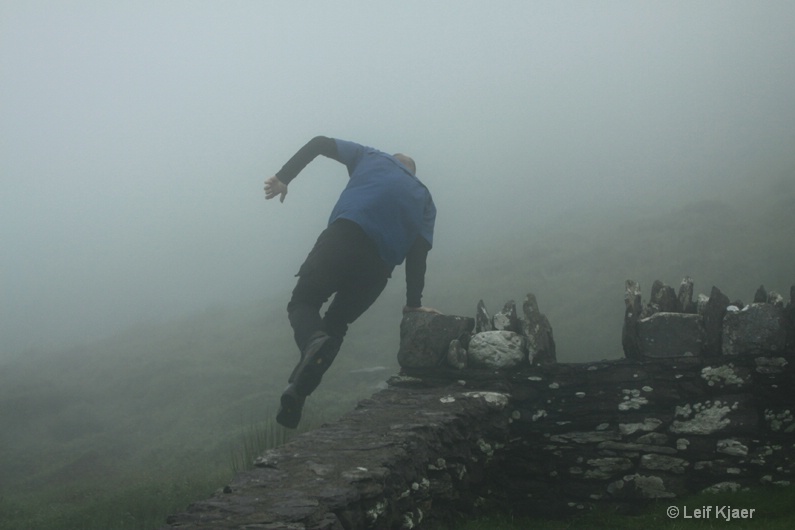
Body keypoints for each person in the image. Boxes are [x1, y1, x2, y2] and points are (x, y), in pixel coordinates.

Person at [264, 136, 438, 428]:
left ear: (394, 160)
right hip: (378, 268)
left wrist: (283, 177)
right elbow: (418, 254)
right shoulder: (425, 200)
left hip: (345, 237)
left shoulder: (372, 156)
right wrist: (413, 304)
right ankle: (297, 393)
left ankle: (311, 342)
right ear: (413, 172)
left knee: (304, 301)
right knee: (335, 327)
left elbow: (319, 142)